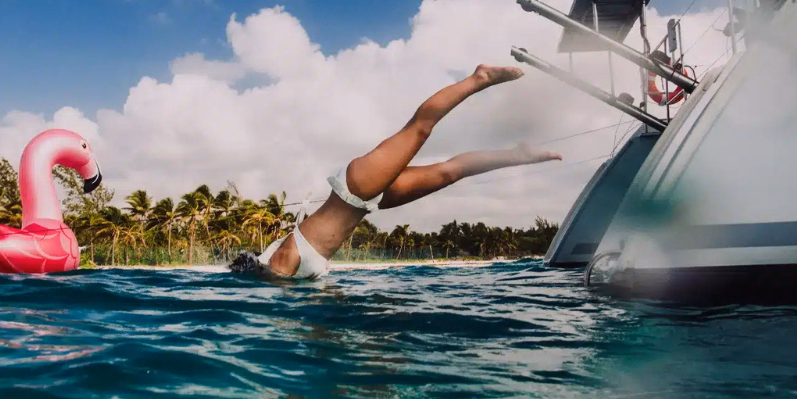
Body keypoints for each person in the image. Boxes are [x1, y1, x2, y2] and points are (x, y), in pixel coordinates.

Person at [229, 64, 562, 280]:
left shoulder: (280, 263)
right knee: (450, 173)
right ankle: (518, 156)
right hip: (367, 201)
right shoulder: (294, 269)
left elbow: (279, 293)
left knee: (419, 130)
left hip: (355, 187)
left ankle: (478, 78)